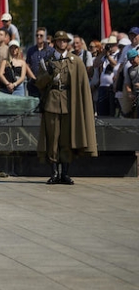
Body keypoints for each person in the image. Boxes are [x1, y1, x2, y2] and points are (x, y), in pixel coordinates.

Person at [34, 30, 98, 184]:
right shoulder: (48, 60)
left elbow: (82, 84)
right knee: (53, 138)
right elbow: (39, 84)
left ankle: (66, 173)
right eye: (59, 40)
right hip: (52, 102)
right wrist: (48, 76)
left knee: (66, 139)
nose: (62, 43)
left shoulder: (75, 61)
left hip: (70, 103)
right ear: (55, 42)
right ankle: (54, 172)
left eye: (65, 41)